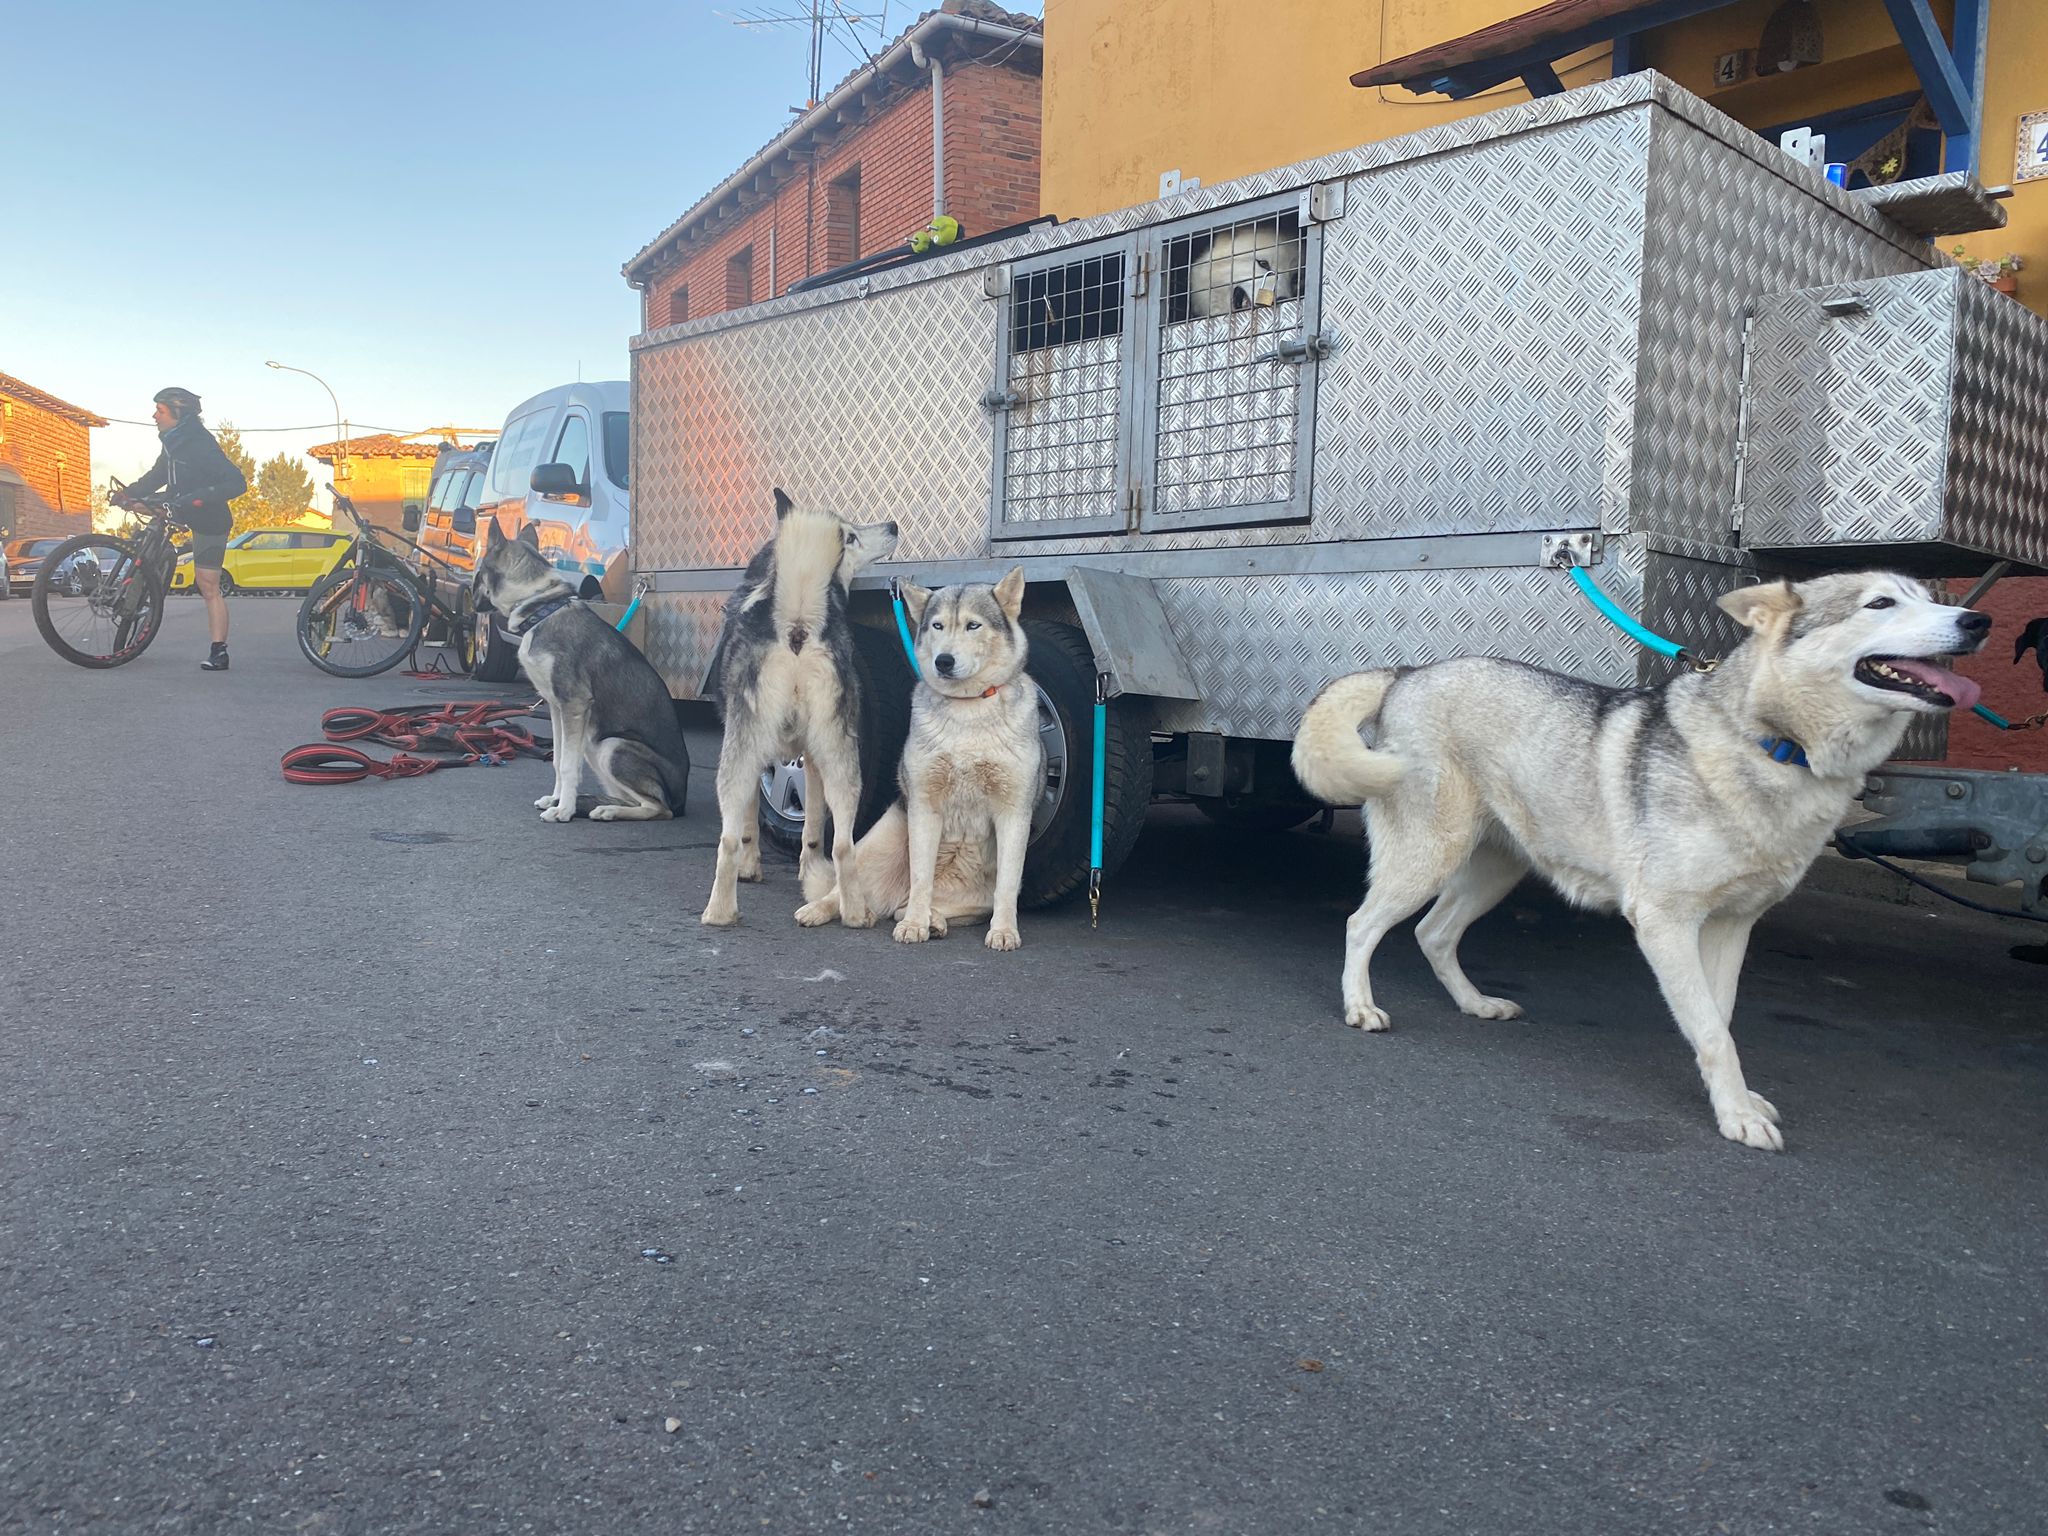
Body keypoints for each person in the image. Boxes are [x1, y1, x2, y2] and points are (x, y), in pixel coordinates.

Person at [118, 386, 247, 671]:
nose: (154, 416)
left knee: (208, 585)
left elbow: (237, 483)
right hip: (179, 506)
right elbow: (156, 476)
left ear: (179, 414)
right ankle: (138, 592)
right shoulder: (172, 444)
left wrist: (198, 498)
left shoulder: (201, 444)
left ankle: (219, 651)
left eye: (160, 411)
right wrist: (128, 493)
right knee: (145, 529)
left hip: (208, 518)